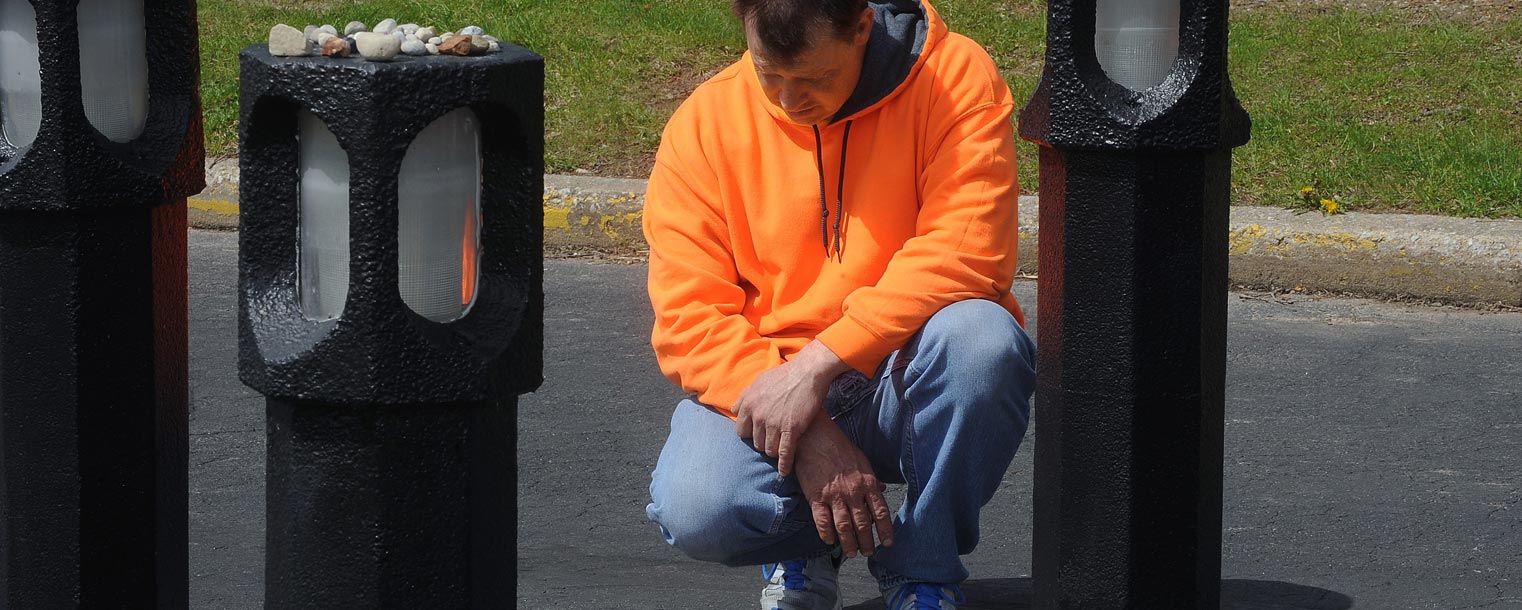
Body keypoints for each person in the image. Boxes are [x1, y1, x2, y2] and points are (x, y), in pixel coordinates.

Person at [641, 0, 1035, 608]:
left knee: (982, 343)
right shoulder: (704, 122)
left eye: (817, 78)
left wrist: (818, 366)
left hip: (903, 366)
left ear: (862, 27)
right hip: (773, 376)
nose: (789, 100)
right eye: (770, 73)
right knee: (695, 504)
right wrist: (805, 433)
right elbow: (689, 315)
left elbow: (968, 251)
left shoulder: (954, 79)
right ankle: (802, 547)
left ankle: (922, 568)